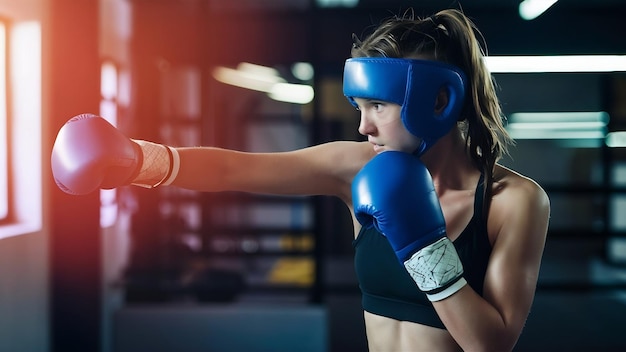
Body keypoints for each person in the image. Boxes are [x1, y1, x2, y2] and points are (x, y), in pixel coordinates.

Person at [51, 8, 550, 352]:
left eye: (378, 106)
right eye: (360, 107)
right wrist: (141, 160)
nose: (363, 126)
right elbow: (236, 168)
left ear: (438, 101)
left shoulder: (515, 202)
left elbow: (491, 343)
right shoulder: (356, 166)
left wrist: (425, 248)